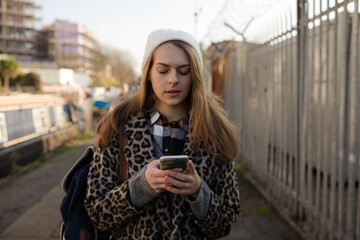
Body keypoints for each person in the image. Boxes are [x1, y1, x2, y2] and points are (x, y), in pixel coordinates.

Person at [85, 29, 241, 239]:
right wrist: (140, 187)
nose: (173, 80)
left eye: (183, 71)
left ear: (194, 75)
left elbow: (224, 225)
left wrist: (198, 192)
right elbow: (98, 215)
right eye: (162, 70)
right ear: (148, 73)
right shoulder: (117, 126)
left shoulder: (216, 132)